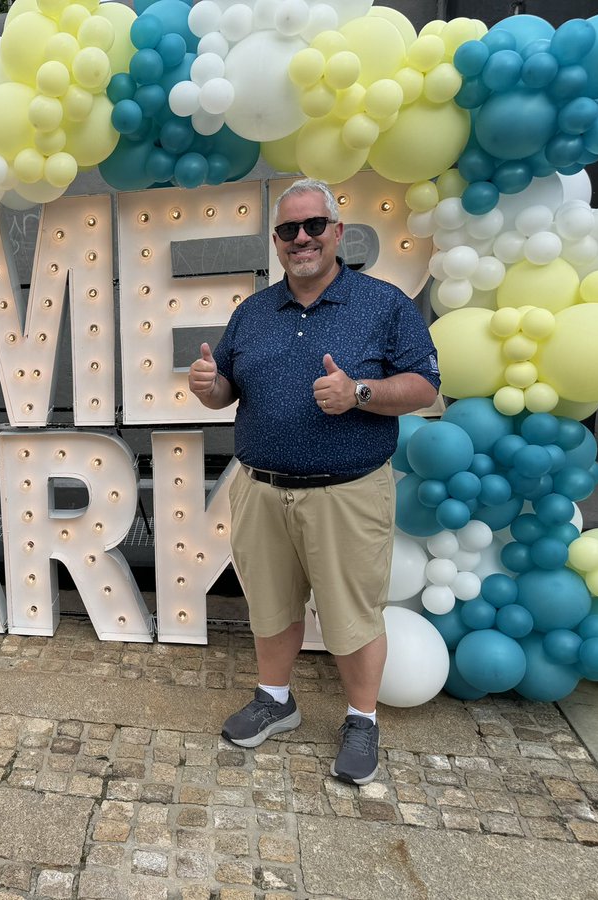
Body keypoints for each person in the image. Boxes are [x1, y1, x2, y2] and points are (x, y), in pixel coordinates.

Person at [188, 178, 440, 785]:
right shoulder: (252, 311)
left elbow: (425, 386)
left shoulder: (383, 305)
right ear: (276, 242)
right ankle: (276, 699)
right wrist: (209, 386)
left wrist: (359, 392)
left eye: (312, 227)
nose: (301, 239)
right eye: (287, 230)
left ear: (337, 233)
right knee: (270, 606)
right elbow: (228, 389)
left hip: (347, 492)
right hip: (261, 488)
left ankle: (361, 718)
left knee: (352, 614)